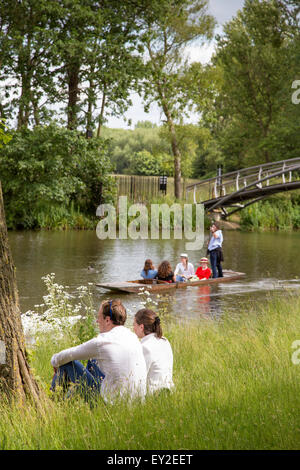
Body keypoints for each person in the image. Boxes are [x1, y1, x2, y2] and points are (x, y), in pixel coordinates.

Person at [50, 299, 147, 402]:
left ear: (107, 320)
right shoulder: (132, 337)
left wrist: (55, 362)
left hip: (110, 403)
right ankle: (70, 400)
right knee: (92, 361)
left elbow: (70, 354)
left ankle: (53, 403)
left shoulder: (102, 342)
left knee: (67, 363)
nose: (97, 321)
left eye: (99, 317)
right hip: (137, 401)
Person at [133, 308, 174, 394]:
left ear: (141, 327)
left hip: (154, 395)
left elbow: (139, 379)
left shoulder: (145, 347)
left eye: (134, 325)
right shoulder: (164, 340)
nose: (133, 328)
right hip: (168, 391)